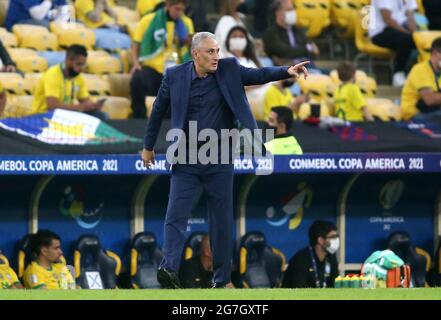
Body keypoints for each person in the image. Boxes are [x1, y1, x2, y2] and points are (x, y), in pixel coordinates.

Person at [141, 31, 309, 288]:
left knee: (221, 220)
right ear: (195, 54)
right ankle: (169, 269)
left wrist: (287, 71)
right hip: (186, 156)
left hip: (219, 156)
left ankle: (222, 280)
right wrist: (148, 147)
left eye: (218, 50)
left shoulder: (229, 68)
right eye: (210, 52)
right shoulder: (174, 76)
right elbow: (158, 111)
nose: (216, 56)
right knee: (175, 214)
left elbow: (259, 75)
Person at [130, 0, 194, 119]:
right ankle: (138, 116)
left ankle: (170, 121)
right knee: (138, 79)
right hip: (153, 67)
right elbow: (135, 44)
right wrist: (135, 63)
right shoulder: (149, 20)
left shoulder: (186, 22)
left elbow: (190, 47)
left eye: (182, 10)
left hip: (176, 68)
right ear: (168, 6)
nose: (179, 13)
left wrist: (188, 41)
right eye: (177, 9)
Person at [31, 44, 106, 118]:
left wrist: (94, 106)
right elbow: (53, 107)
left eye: (83, 65)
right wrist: (81, 107)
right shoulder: (53, 74)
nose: (81, 68)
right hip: (43, 116)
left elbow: (85, 101)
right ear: (68, 60)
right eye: (79, 64)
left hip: (64, 117)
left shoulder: (78, 77)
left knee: (99, 115)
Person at [369, 0, 418, 87]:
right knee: (406, 40)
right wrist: (408, 34)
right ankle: (398, 73)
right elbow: (388, 20)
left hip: (401, 28)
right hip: (380, 32)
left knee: (422, 40)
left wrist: (416, 35)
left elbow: (411, 15)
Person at [282, 220, 340, 288]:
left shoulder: (331, 258)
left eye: (337, 236)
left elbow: (334, 286)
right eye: (333, 237)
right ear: (320, 240)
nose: (336, 240)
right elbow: (298, 290)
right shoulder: (300, 260)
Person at [263, 0, 318, 68]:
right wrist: (308, 48)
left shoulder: (298, 30)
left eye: (293, 9)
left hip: (306, 67)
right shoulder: (270, 33)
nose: (293, 12)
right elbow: (286, 53)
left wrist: (301, 51)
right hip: (284, 72)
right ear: (278, 13)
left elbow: (314, 53)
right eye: (289, 10)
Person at [401, 37, 441, 122]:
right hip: (415, 115)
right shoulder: (420, 69)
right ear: (435, 53)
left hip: (434, 113)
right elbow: (429, 99)